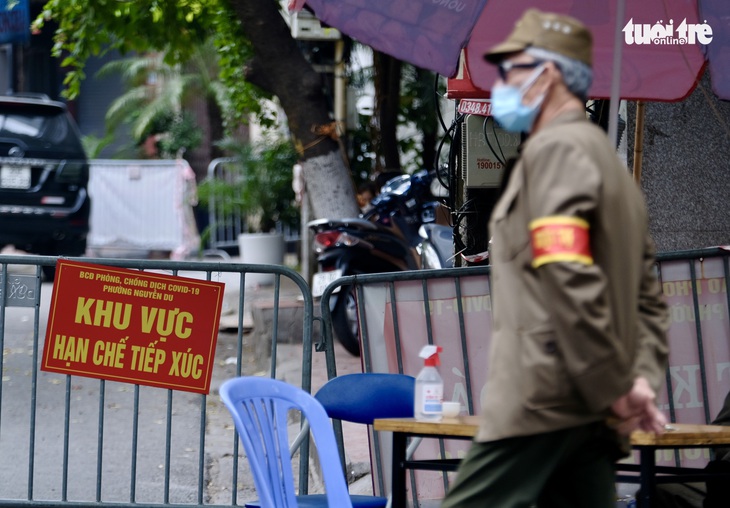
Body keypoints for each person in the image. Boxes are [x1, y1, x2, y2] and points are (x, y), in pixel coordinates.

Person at [440, 9, 670, 508]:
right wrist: (637, 380)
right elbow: (646, 296)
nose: (501, 83)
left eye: (513, 69)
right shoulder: (602, 163)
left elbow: (567, 278)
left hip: (543, 398)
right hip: (586, 410)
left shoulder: (558, 156)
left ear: (548, 75)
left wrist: (616, 385)